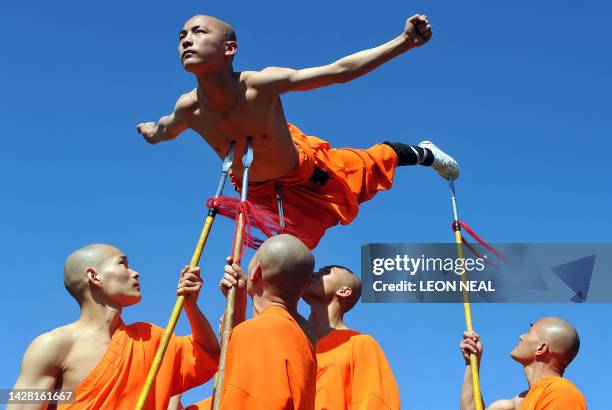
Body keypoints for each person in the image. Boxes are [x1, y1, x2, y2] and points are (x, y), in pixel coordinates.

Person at [137, 13, 459, 249]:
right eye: (181, 35)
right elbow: (165, 131)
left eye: (198, 32)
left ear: (229, 48)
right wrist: (151, 131)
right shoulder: (188, 109)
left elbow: (339, 72)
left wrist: (404, 42)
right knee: (278, 266)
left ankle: (425, 153)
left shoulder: (261, 85)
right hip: (259, 194)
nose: (186, 40)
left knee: (376, 161)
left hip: (309, 174)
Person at [9, 244, 219, 410]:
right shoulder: (53, 344)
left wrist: (191, 306)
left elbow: (208, 354)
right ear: (94, 276)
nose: (135, 273)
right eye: (123, 264)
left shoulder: (148, 338)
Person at [186, 234, 317, 409]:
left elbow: (248, 399)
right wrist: (240, 300)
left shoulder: (257, 332)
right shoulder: (306, 335)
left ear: (256, 273)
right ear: (307, 285)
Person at [303, 264, 400, 409]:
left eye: (325, 272)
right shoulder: (293, 343)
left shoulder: (360, 344)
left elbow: (374, 402)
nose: (314, 274)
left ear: (344, 291)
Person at [459, 317, 587, 410]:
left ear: (541, 348)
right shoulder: (518, 402)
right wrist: (472, 362)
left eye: (530, 332)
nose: (521, 336)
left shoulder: (561, 393)